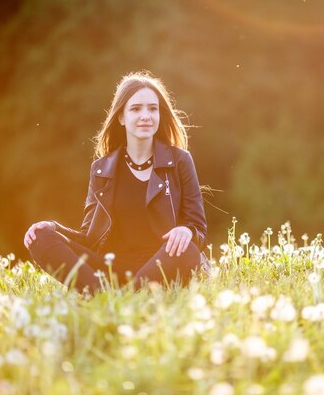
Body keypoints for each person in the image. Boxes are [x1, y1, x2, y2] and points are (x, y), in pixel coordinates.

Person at [23, 71, 210, 294]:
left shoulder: (180, 160)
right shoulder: (101, 169)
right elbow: (89, 238)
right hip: (111, 268)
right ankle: (106, 294)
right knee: (40, 238)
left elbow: (198, 229)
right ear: (121, 117)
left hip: (163, 265)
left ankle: (116, 298)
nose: (146, 116)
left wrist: (186, 231)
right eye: (136, 109)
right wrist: (53, 228)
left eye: (153, 108)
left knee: (186, 249)